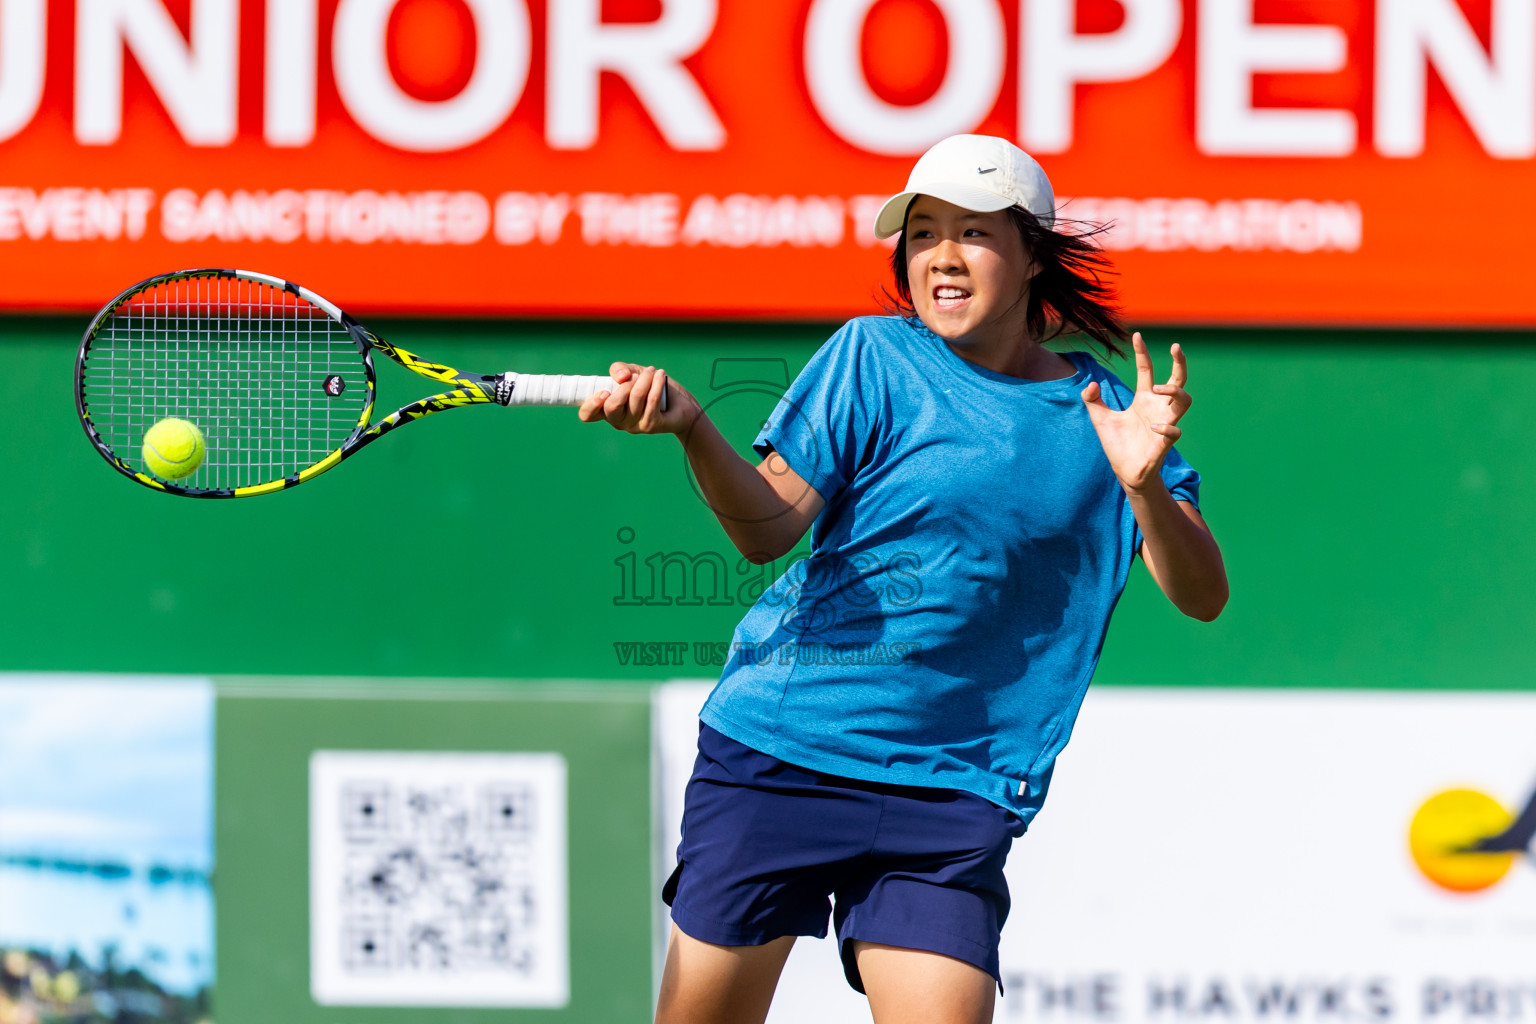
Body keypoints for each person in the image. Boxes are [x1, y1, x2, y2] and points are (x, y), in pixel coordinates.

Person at [579, 133, 1229, 1024]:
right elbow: (769, 530)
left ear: (1034, 256)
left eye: (974, 233)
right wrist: (695, 427)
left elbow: (1201, 596)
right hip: (782, 755)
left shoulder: (1111, 415)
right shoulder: (871, 358)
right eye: (923, 234)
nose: (942, 259)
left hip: (954, 793)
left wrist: (1143, 482)